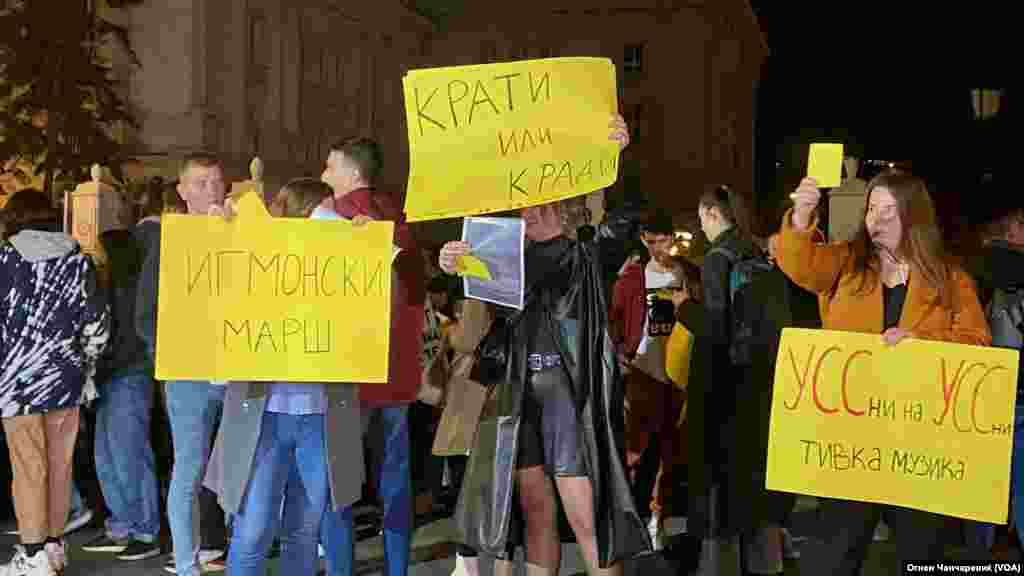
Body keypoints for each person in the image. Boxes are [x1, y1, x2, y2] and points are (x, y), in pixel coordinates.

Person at [439, 115, 648, 576]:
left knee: (587, 518)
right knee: (535, 514)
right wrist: (451, 262)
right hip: (521, 397)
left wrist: (617, 159)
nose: (529, 213)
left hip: (570, 398)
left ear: (565, 205)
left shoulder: (589, 253)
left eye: (541, 204)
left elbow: (625, 220)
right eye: (523, 205)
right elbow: (474, 305)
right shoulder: (505, 256)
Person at [779, 172, 990, 574]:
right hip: (851, 443)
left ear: (915, 216)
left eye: (889, 210)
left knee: (921, 552)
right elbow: (801, 266)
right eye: (872, 208)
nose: (877, 218)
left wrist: (921, 342)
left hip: (919, 446)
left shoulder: (951, 279)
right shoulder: (845, 262)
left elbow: (977, 344)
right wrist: (802, 216)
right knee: (834, 555)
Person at [199, 179, 363, 575]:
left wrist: (365, 246)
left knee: (304, 533)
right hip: (265, 415)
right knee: (253, 531)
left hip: (320, 417)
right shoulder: (258, 260)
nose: (333, 222)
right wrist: (221, 232)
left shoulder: (339, 268)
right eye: (324, 213)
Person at [318, 137, 425, 576]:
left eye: (330, 167)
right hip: (397, 374)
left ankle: (341, 569)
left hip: (348, 375)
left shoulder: (331, 217)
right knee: (395, 484)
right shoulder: (399, 220)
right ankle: (397, 570)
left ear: (352, 172)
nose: (323, 175)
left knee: (340, 488)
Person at [0, 189, 110, 575]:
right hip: (66, 378)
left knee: (28, 467)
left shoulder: (5, 261)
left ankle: (33, 555)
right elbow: (97, 327)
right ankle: (53, 546)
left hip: (17, 382)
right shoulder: (78, 262)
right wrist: (85, 365)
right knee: (59, 465)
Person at [136, 152, 230, 576]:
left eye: (216, 182)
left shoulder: (245, 232)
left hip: (236, 370)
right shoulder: (168, 241)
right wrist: (170, 356)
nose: (210, 190)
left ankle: (235, 554)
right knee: (189, 468)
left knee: (241, 469)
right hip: (188, 376)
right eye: (200, 183)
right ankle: (188, 563)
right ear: (182, 191)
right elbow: (145, 313)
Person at [80, 228, 162, 561]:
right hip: (114, 378)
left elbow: (126, 342)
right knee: (109, 457)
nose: (94, 256)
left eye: (99, 250)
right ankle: (122, 525)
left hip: (127, 377)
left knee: (130, 456)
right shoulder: (113, 287)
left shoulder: (127, 291)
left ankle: (145, 530)